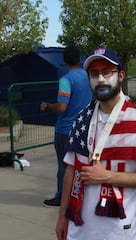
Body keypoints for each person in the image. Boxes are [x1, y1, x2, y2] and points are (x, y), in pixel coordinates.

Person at [55, 48, 136, 240]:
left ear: (121, 76)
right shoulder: (82, 120)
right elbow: (70, 171)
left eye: (107, 72)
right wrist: (62, 216)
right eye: (94, 74)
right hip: (78, 227)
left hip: (117, 231)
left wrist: (107, 176)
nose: (101, 79)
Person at [40, 45, 92, 207]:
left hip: (65, 130)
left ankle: (61, 198)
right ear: (79, 59)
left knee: (64, 166)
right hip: (84, 128)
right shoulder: (89, 77)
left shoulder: (66, 80)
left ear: (64, 60)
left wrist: (47, 106)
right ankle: (82, 195)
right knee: (82, 164)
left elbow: (62, 107)